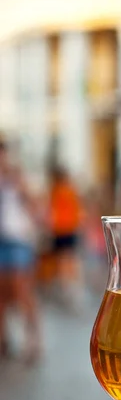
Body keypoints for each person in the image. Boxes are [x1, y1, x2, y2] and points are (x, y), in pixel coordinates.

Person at [0, 139, 41, 361]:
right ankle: (4, 340)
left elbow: (34, 206)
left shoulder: (15, 177)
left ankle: (32, 340)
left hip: (18, 240)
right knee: (2, 295)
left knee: (22, 291)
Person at [48, 166, 83, 310]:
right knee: (70, 259)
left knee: (62, 260)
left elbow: (52, 211)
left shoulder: (56, 191)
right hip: (70, 229)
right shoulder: (71, 190)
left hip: (60, 230)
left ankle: (66, 288)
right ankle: (72, 288)